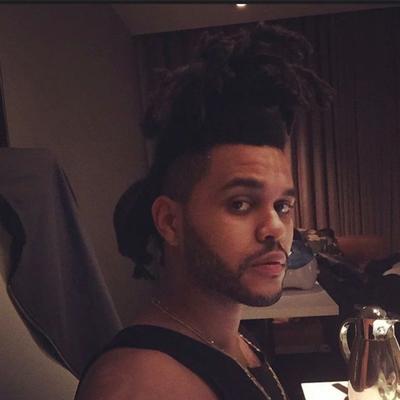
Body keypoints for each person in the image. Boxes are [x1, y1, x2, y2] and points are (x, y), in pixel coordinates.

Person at [75, 22, 333, 400]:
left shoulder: (235, 341)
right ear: (170, 221)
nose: (275, 228)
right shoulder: (140, 385)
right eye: (240, 204)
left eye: (283, 206)